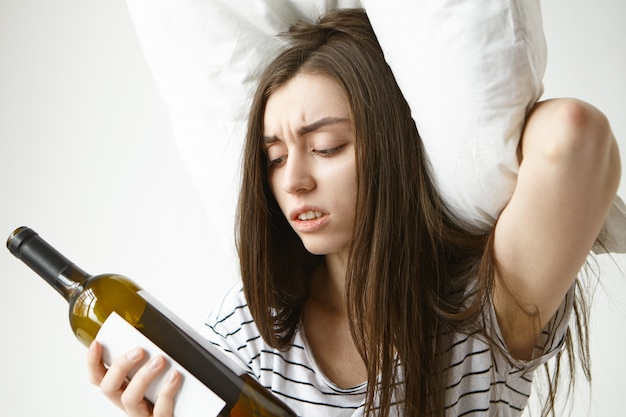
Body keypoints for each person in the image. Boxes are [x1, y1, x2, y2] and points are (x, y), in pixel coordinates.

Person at [85, 8, 621, 417]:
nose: (293, 181)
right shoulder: (250, 327)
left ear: (390, 145)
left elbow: (574, 138)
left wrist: (464, 143)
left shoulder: (481, 304)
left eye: (327, 147)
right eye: (274, 158)